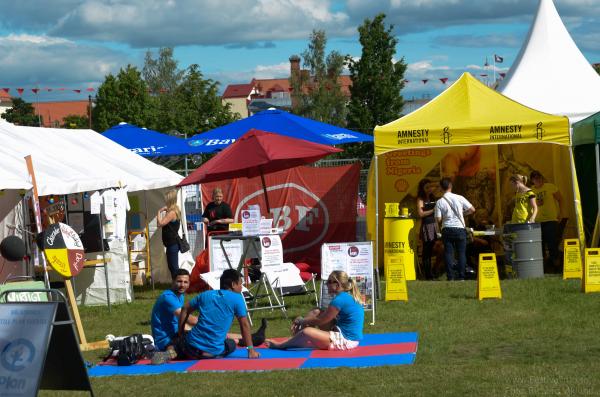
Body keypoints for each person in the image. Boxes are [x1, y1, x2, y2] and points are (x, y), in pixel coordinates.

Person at [266, 270, 364, 351]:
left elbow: (321, 321)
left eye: (329, 282)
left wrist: (301, 320)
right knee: (316, 312)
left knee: (307, 331)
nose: (326, 284)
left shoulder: (340, 300)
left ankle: (281, 345)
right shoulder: (345, 296)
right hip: (344, 334)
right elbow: (322, 316)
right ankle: (296, 339)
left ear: (337, 284)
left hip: (346, 341)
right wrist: (303, 320)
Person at [177, 269, 261, 360]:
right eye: (240, 284)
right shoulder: (237, 298)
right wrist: (251, 350)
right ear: (233, 285)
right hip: (210, 353)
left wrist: (180, 333)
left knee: (188, 338)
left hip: (190, 348)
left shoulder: (205, 295)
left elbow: (184, 309)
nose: (242, 287)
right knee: (231, 343)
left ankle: (177, 349)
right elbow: (244, 325)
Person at [150, 269, 197, 363]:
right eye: (179, 281)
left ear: (189, 284)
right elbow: (188, 319)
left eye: (185, 282)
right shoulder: (168, 297)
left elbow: (181, 320)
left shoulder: (180, 296)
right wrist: (208, 323)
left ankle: (171, 353)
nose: (182, 285)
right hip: (165, 339)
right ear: (173, 281)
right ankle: (167, 354)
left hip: (176, 333)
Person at [435, 177, 476, 281]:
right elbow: (472, 209)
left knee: (448, 253)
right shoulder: (460, 197)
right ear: (450, 186)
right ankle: (462, 277)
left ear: (441, 188)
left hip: (447, 229)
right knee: (461, 253)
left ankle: (451, 277)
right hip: (460, 228)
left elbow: (438, 219)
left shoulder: (439, 202)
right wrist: (463, 213)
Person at [530, 170, 564, 271]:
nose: (538, 180)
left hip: (551, 220)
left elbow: (560, 199)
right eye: (535, 178)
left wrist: (561, 213)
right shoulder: (531, 191)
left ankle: (557, 266)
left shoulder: (550, 186)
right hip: (537, 222)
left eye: (539, 177)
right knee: (539, 245)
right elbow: (528, 205)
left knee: (552, 244)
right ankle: (543, 268)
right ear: (532, 180)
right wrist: (535, 204)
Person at [157, 189, 182, 279]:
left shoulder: (171, 212)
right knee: (172, 266)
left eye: (166, 199)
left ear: (169, 200)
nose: (165, 201)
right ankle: (175, 284)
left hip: (172, 243)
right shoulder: (173, 210)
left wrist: (159, 212)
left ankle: (178, 284)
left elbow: (159, 224)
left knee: (174, 267)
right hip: (171, 243)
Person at [416, 179, 438, 280]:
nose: (429, 189)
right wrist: (433, 210)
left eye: (430, 187)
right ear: (422, 189)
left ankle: (431, 272)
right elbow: (421, 214)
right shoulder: (421, 199)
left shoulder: (433, 197)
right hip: (426, 225)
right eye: (427, 187)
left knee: (431, 249)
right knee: (426, 250)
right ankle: (428, 274)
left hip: (433, 225)